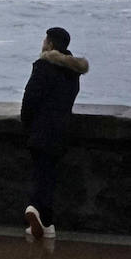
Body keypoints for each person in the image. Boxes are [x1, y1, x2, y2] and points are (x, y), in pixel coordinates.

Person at [20, 27, 89, 240]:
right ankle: (47, 224)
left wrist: (27, 122)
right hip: (62, 129)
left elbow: (31, 97)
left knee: (41, 173)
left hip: (41, 128)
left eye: (45, 40)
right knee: (48, 174)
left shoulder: (43, 66)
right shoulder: (73, 71)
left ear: (49, 44)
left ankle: (34, 208)